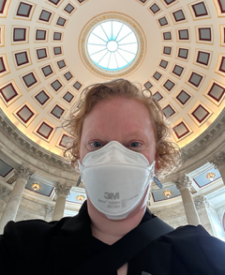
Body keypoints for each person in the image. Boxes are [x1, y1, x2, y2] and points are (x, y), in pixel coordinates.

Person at [0, 79, 225, 275]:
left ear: (155, 160)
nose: (114, 157)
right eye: (97, 144)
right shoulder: (22, 244)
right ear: (79, 158)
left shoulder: (204, 253)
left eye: (134, 144)